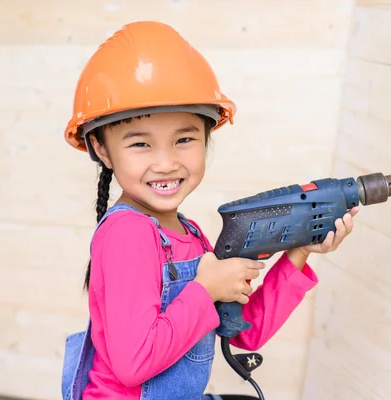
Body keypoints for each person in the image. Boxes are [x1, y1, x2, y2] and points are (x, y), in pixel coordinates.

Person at [59, 21, 359, 400]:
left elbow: (245, 331)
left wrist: (297, 254)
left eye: (184, 139)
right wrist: (204, 289)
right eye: (140, 145)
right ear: (102, 150)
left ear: (206, 137)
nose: (166, 162)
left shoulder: (190, 233)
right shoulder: (127, 234)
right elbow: (132, 363)